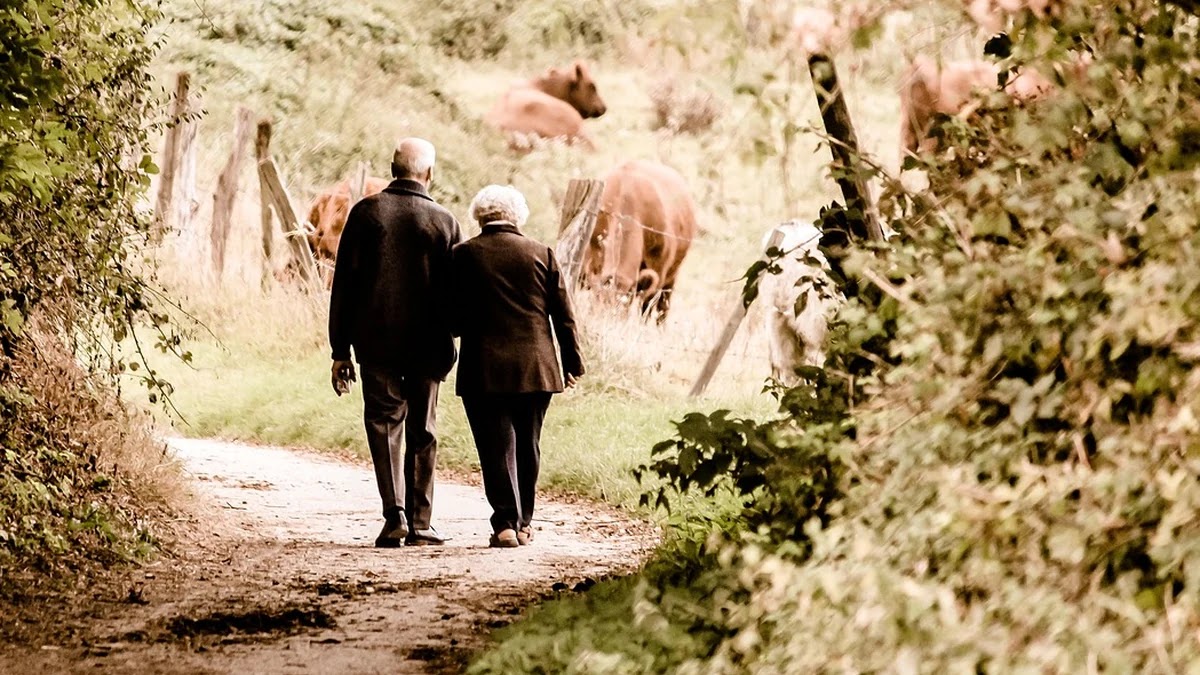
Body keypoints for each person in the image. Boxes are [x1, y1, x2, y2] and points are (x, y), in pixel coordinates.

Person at [328, 137, 463, 548]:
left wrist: (340, 350)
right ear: (429, 174)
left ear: (392, 168)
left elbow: (344, 287)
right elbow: (455, 291)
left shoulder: (366, 214)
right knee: (423, 428)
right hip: (429, 344)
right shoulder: (444, 221)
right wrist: (454, 334)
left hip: (376, 341)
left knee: (385, 425)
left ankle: (395, 516)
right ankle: (422, 523)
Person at [448, 184, 585, 548]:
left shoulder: (463, 255)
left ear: (479, 215)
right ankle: (524, 523)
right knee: (528, 444)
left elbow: (454, 318)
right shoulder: (542, 254)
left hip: (483, 368)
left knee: (495, 446)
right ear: (518, 215)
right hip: (537, 367)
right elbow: (564, 317)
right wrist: (572, 362)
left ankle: (505, 524)